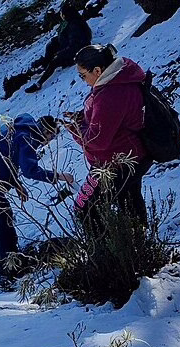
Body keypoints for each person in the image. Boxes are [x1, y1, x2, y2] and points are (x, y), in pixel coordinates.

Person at [0, 115, 76, 277]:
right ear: (45, 131)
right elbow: (29, 170)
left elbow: (4, 157)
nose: (47, 142)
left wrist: (15, 184)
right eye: (50, 137)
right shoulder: (27, 138)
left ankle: (5, 270)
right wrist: (60, 176)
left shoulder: (18, 127)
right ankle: (12, 274)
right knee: (4, 231)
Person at [66, 44, 152, 232]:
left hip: (116, 162)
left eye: (83, 75)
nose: (83, 80)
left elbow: (96, 141)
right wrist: (84, 118)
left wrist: (74, 128)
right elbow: (110, 119)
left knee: (84, 208)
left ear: (97, 70)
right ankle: (140, 248)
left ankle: (109, 256)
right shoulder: (122, 77)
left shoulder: (110, 94)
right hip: (134, 154)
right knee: (130, 202)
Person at [25, 1, 92, 93]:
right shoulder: (73, 20)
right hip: (68, 45)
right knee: (52, 45)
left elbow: (75, 45)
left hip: (76, 53)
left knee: (54, 62)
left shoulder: (74, 26)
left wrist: (61, 53)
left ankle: (39, 83)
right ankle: (45, 63)